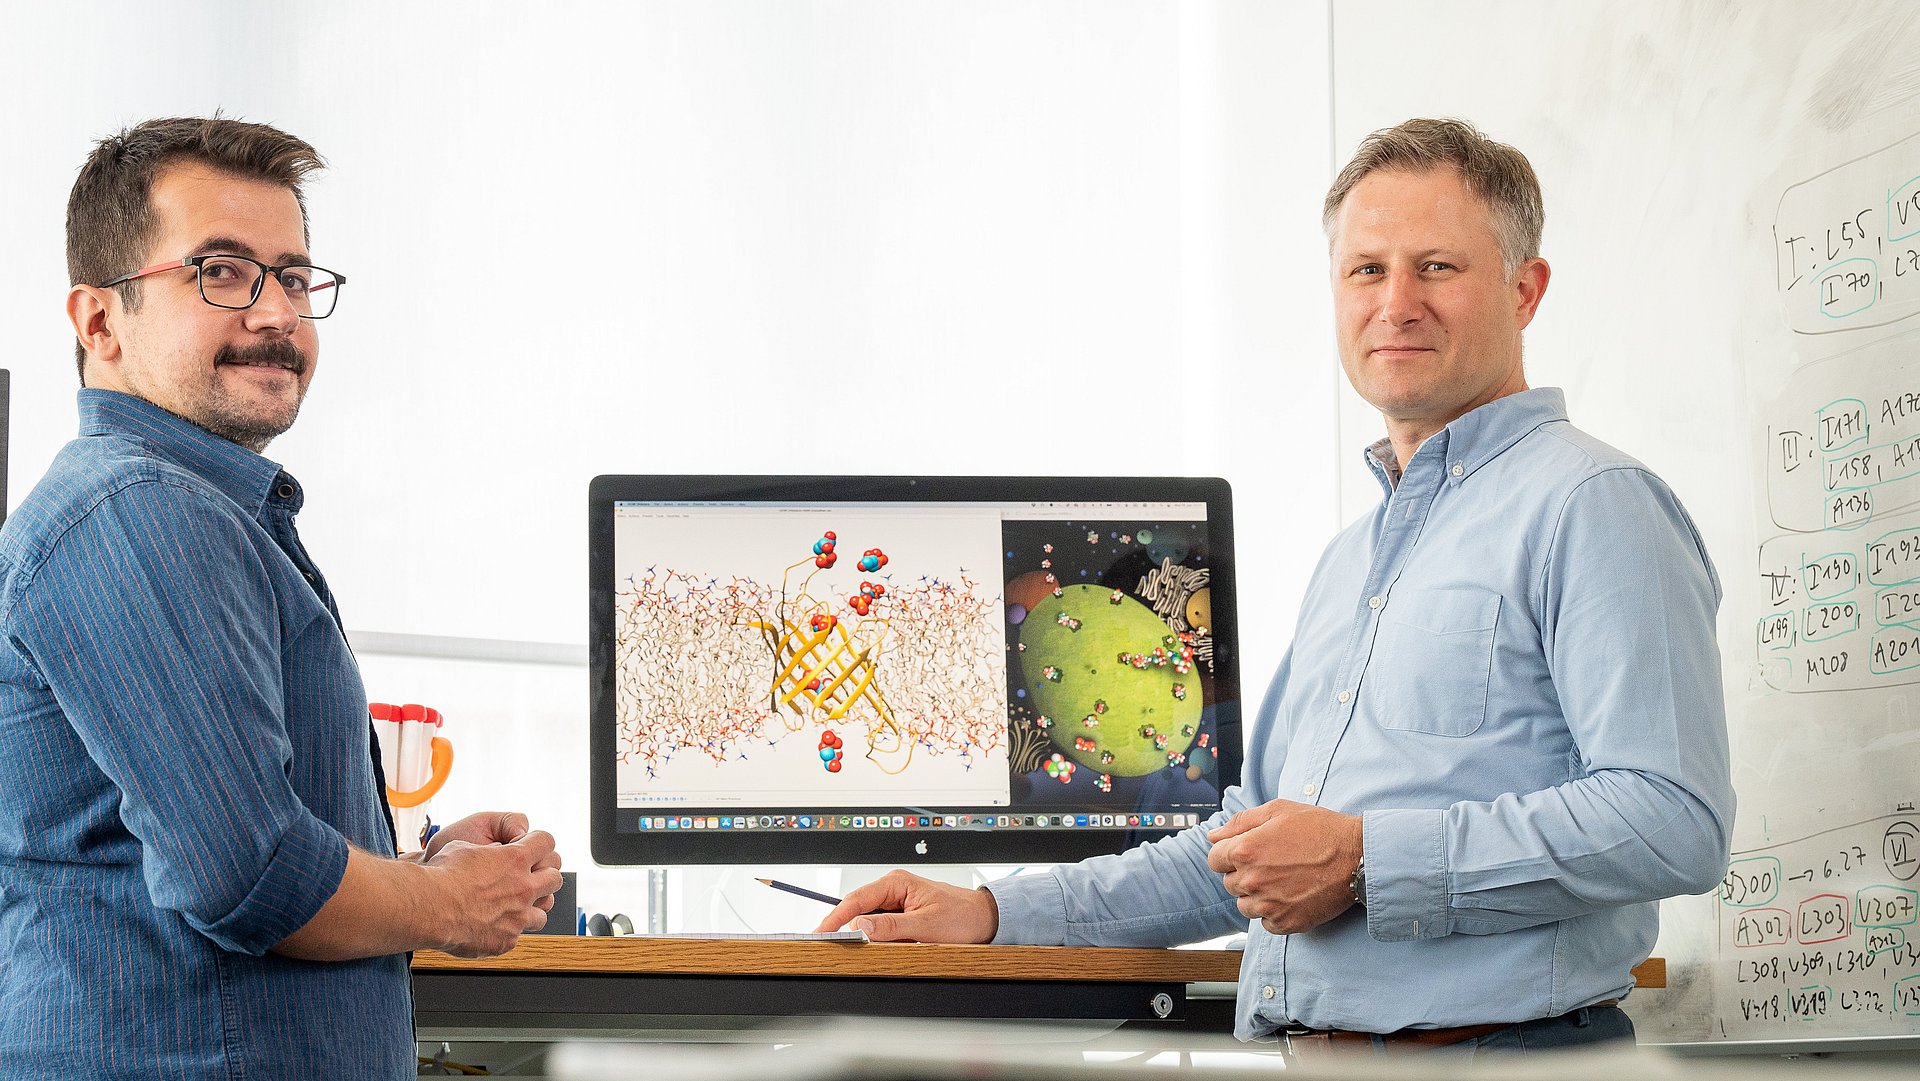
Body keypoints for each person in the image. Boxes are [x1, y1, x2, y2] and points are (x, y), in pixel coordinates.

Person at [819, 118, 1735, 1055]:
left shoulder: (1595, 504)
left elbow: (1673, 819)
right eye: (1366, 270)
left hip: (1501, 1058)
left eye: (1438, 267)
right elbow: (1240, 854)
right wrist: (992, 912)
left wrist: (1367, 859)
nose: (1397, 303)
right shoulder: (1351, 563)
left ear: (1526, 290)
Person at [0, 117, 564, 1080]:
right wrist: (452, 904)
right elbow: (249, 875)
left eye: (294, 278)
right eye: (221, 271)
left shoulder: (206, 512)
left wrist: (418, 874)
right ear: (100, 320)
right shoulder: (138, 511)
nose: (276, 315)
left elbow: (235, 841)